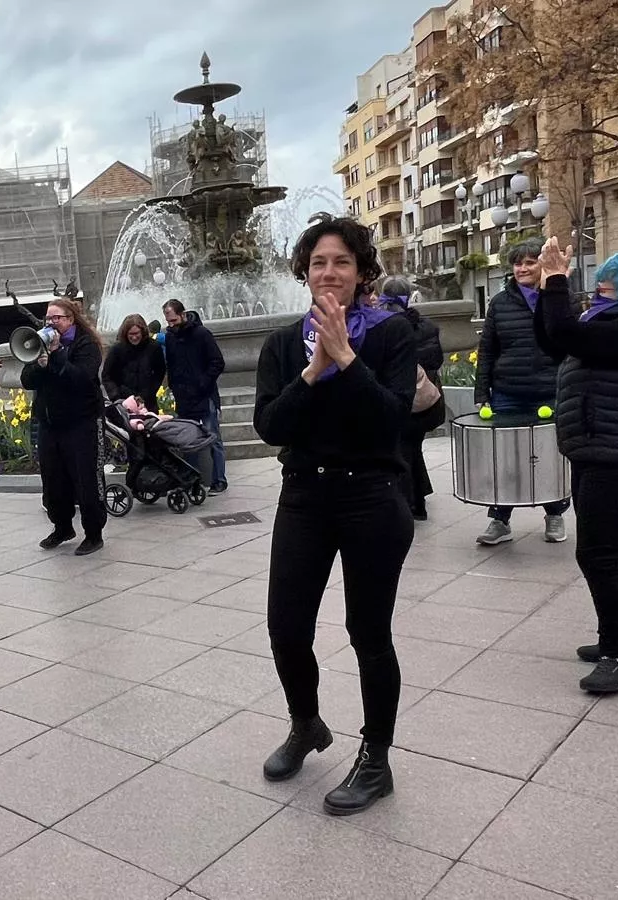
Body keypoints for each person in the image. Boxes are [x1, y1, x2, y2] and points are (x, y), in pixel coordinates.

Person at [254, 215, 417, 816]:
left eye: (341, 262)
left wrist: (347, 358)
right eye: (319, 262)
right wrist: (312, 370)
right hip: (303, 497)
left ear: (360, 272)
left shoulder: (391, 335)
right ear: (304, 271)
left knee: (368, 634)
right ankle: (307, 724)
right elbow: (271, 426)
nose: (329, 273)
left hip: (372, 497)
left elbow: (390, 421)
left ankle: (376, 760)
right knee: (286, 627)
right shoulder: (280, 344)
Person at [531, 242, 618, 694]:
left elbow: (567, 335)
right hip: (604, 452)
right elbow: (553, 339)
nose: (597, 293)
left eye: (606, 287)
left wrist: (557, 281)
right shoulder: (611, 324)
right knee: (611, 549)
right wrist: (545, 286)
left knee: (597, 553)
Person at [472, 238, 569, 545]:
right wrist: (481, 392)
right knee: (505, 458)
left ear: (542, 263)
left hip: (549, 390)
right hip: (508, 392)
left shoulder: (558, 297)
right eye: (518, 263)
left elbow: (574, 344)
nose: (523, 268)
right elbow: (487, 349)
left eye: (529, 262)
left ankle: (554, 515)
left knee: (548, 456)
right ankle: (500, 521)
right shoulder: (500, 303)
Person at [21, 297, 106, 556]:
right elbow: (26, 380)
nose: (51, 322)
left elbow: (81, 379)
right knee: (53, 479)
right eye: (48, 318)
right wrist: (41, 365)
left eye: (56, 317)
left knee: (86, 478)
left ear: (70, 319)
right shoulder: (41, 346)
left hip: (81, 422)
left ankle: (93, 533)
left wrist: (57, 356)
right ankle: (62, 526)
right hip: (50, 424)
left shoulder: (85, 344)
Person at [376, 278, 445, 520]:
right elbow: (436, 361)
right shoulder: (426, 326)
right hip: (426, 404)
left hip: (401, 402)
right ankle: (420, 500)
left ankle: (408, 505)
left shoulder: (385, 326)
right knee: (413, 449)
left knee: (402, 452)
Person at [162, 299, 227, 494]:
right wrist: (174, 386)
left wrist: (202, 383)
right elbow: (171, 365)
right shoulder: (171, 337)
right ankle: (192, 481)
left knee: (212, 437)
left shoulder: (202, 334)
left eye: (174, 320)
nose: (171, 324)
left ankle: (219, 480)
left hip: (204, 395)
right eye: (168, 321)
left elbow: (217, 362)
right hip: (184, 397)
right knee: (187, 439)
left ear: (182, 314)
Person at [102, 313, 167, 410]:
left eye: (137, 333)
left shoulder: (154, 347)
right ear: (125, 333)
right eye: (131, 334)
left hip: (148, 401)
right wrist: (116, 396)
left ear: (143, 331)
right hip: (122, 402)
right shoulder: (117, 349)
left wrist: (148, 394)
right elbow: (107, 375)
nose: (134, 337)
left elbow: (160, 372)